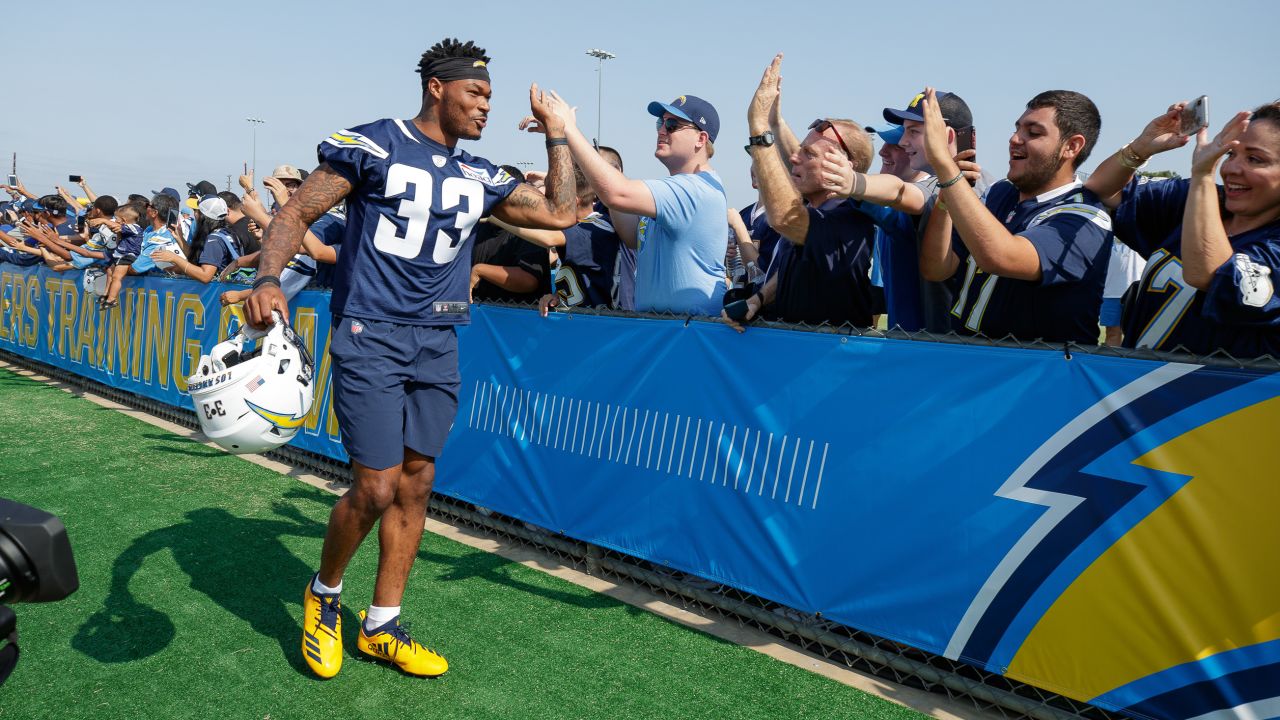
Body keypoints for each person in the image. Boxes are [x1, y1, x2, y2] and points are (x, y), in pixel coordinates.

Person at [243, 37, 577, 680]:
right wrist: (266, 280)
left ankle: (382, 623)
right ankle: (325, 595)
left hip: (440, 336)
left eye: (489, 96)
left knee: (418, 479)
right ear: (437, 88)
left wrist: (557, 136)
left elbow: (562, 213)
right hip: (372, 333)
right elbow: (297, 211)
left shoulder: (480, 173)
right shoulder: (374, 144)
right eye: (475, 93)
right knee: (374, 485)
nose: (485, 106)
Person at [1085, 101, 1280, 357]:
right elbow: (1102, 188)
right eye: (1231, 154)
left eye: (1254, 159)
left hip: (1209, 396)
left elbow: (1209, 273)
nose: (1231, 168)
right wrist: (1141, 148)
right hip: (1130, 390)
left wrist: (1203, 175)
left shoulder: (1205, 193)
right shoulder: (1195, 199)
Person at [919, 87, 1113, 344]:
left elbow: (999, 256)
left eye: (1033, 132)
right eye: (1017, 128)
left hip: (1035, 374)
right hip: (968, 358)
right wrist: (947, 196)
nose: (1015, 139)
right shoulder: (1001, 192)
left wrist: (945, 167)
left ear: (1072, 146)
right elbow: (936, 269)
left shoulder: (1085, 218)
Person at [524, 88, 728, 315]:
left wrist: (567, 130)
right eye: (661, 122)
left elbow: (616, 193)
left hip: (692, 331)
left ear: (701, 139)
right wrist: (562, 137)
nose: (661, 130)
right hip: (669, 329)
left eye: (672, 125)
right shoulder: (680, 190)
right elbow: (630, 234)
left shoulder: (696, 189)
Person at [727, 55, 877, 328]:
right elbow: (788, 266)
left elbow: (785, 217)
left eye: (809, 154)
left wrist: (759, 128)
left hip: (830, 362)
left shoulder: (850, 219)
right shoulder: (817, 208)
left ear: (845, 165)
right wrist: (758, 299)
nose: (794, 159)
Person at [489, 163, 635, 315]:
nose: (552, 204)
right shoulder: (589, 222)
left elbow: (548, 238)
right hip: (580, 319)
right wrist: (558, 297)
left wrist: (495, 216)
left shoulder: (592, 230)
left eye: (556, 199)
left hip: (601, 325)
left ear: (574, 202)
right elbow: (586, 185)